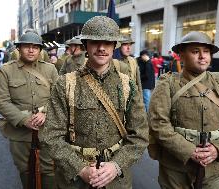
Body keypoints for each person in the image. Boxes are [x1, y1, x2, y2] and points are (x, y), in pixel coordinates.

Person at [42, 16, 148, 189]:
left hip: (116, 180)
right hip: (75, 180)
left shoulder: (127, 84)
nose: (101, 48)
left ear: (115, 45)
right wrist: (80, 169)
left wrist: (116, 166)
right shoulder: (65, 83)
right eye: (94, 42)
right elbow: (51, 136)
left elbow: (140, 135)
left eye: (107, 43)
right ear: (85, 45)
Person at [148, 31, 219, 189]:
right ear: (181, 56)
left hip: (216, 169)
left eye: (206, 51)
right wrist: (189, 150)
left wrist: (218, 148)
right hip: (176, 168)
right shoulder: (167, 84)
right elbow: (157, 123)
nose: (202, 56)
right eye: (195, 51)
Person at [0, 31, 59, 189]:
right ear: (19, 48)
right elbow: (2, 101)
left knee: (49, 170)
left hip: (47, 131)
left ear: (40, 50)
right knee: (26, 170)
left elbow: (58, 98)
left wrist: (45, 113)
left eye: (35, 47)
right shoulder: (6, 71)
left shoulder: (50, 70)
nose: (31, 50)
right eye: (26, 46)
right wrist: (24, 120)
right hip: (20, 134)